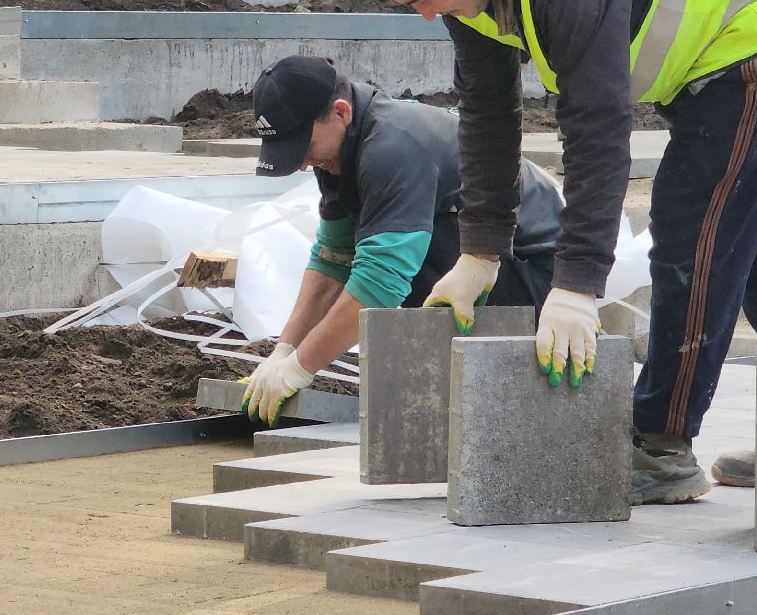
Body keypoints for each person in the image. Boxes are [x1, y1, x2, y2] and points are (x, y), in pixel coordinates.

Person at [343, 0, 757, 505]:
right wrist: (481, 248)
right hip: (734, 35)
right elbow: (485, 112)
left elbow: (596, 133)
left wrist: (576, 287)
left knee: (692, 225)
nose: (427, 15)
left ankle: (658, 443)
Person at [238, 55, 564, 424]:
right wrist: (284, 350)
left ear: (341, 113)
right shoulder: (338, 149)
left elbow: (381, 281)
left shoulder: (391, 147)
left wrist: (301, 368)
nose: (301, 164)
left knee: (398, 254)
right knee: (382, 245)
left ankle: (486, 402)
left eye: (304, 147)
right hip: (485, 256)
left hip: (535, 273)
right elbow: (332, 259)